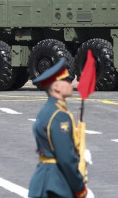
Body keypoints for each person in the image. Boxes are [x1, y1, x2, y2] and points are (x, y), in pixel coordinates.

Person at [28, 58, 93, 198]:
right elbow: (66, 158)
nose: (71, 83)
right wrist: (80, 188)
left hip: (44, 181)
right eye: (67, 80)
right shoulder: (60, 116)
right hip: (56, 184)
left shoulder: (47, 110)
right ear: (57, 87)